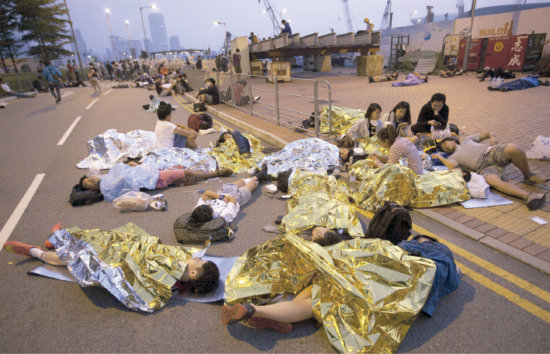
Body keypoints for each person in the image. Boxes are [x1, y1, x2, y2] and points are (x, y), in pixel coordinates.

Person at [3, 223, 220, 312]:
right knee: (105, 238)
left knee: (82, 257)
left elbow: (138, 282)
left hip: (119, 263)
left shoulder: (168, 285)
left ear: (193, 273)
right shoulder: (183, 260)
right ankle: (62, 237)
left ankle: (37, 251)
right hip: (129, 250)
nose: (197, 258)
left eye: (199, 263)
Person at [433, 133, 548, 210]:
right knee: (492, 180)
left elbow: (488, 133)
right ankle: (529, 197)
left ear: (453, 140)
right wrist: (440, 157)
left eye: (445, 144)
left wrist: (493, 137)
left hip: (491, 152)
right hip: (483, 167)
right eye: (443, 148)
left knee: (513, 148)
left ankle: (528, 176)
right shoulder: (452, 157)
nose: (445, 147)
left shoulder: (467, 140)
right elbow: (452, 166)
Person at [78, 164, 233, 202]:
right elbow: (125, 179)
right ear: (90, 189)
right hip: (153, 177)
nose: (91, 181)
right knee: (187, 172)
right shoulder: (106, 188)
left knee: (180, 172)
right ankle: (216, 173)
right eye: (88, 184)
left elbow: (124, 172)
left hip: (151, 175)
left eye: (89, 179)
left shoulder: (106, 177)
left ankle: (182, 180)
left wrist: (130, 167)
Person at [190, 176, 259, 224]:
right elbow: (233, 200)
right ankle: (259, 178)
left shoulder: (197, 210)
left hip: (220, 195)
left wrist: (221, 197)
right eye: (209, 205)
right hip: (237, 198)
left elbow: (207, 193)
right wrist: (223, 198)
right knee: (253, 183)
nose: (210, 204)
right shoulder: (223, 215)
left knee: (240, 182)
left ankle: (254, 176)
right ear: (212, 212)